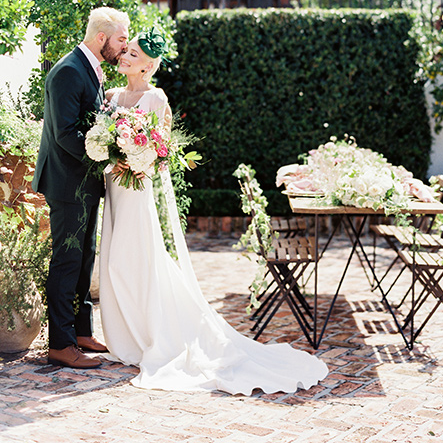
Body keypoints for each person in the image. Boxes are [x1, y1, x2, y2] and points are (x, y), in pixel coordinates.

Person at [100, 27, 328, 394]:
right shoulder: (110, 96)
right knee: (113, 260)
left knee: (133, 258)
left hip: (136, 188)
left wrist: (137, 160)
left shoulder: (156, 99)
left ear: (146, 67)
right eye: (125, 51)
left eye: (133, 55)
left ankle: (152, 334)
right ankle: (125, 335)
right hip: (113, 187)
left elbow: (164, 153)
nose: (124, 57)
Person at [33, 7, 129, 369]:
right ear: (102, 37)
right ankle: (60, 344)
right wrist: (108, 157)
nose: (123, 46)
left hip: (84, 183)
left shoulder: (89, 69)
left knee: (85, 259)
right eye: (120, 39)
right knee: (67, 260)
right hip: (66, 183)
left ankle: (81, 331)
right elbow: (66, 134)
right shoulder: (68, 71)